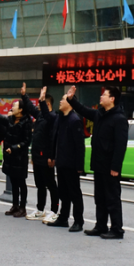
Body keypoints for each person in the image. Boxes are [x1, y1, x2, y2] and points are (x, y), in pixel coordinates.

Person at [67, 84, 129, 239]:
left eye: (104, 95)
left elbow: (120, 145)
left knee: (112, 198)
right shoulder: (99, 114)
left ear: (112, 99)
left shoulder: (119, 119)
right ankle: (101, 226)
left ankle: (117, 229)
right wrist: (71, 99)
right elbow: (83, 110)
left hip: (110, 166)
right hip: (99, 163)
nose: (101, 97)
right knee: (99, 197)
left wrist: (116, 166)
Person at [20, 84, 60, 222]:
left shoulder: (53, 117)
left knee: (51, 184)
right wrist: (24, 95)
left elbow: (52, 139)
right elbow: (31, 108)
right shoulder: (40, 115)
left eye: (41, 103)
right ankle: (40, 209)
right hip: (37, 155)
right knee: (40, 184)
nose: (38, 106)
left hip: (46, 156)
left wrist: (51, 156)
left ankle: (54, 210)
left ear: (47, 104)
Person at [46, 94, 85, 232]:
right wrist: (52, 156)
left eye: (63, 99)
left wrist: (79, 166)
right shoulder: (60, 118)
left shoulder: (75, 120)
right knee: (63, 192)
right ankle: (63, 218)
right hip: (61, 161)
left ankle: (78, 221)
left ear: (70, 103)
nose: (60, 101)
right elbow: (55, 139)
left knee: (74, 193)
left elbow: (80, 145)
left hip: (71, 163)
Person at [0, 98, 32, 218]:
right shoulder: (10, 119)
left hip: (20, 157)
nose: (12, 107)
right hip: (10, 156)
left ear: (20, 109)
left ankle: (22, 207)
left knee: (21, 182)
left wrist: (15, 148)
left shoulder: (26, 122)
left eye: (15, 105)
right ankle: (15, 205)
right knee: (13, 182)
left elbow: (27, 141)